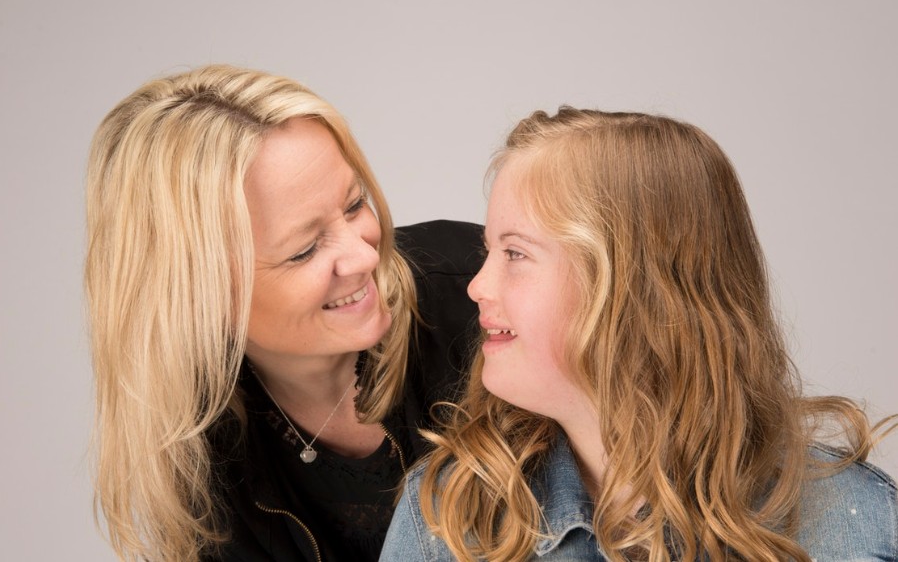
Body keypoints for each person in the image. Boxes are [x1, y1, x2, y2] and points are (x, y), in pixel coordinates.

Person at [381, 107, 898, 561]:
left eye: (515, 254)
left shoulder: (857, 528)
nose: (475, 286)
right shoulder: (448, 522)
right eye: (487, 251)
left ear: (634, 290)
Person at [84, 64, 483, 562]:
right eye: (304, 250)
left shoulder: (482, 296)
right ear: (197, 296)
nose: (363, 257)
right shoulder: (196, 449)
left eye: (355, 205)